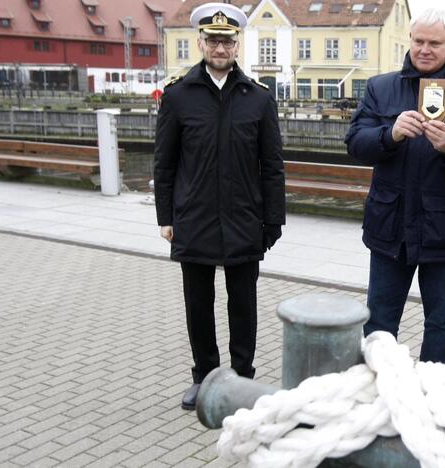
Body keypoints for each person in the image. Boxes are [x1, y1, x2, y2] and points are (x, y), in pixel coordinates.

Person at [345, 8, 445, 366]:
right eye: (419, 41)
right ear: (410, 40)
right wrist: (390, 134)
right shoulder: (380, 87)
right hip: (390, 226)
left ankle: (434, 401)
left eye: (435, 43)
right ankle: (380, 394)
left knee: (440, 324)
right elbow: (355, 142)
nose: (425, 49)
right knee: (380, 322)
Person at [153, 2, 285, 411]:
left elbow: (273, 167)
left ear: (237, 45)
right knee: (199, 304)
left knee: (242, 304)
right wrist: (165, 217)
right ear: (201, 43)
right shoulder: (178, 96)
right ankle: (205, 377)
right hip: (194, 217)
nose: (220, 47)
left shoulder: (259, 99)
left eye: (227, 41)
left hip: (245, 217)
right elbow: (165, 162)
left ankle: (243, 381)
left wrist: (273, 220)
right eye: (213, 40)